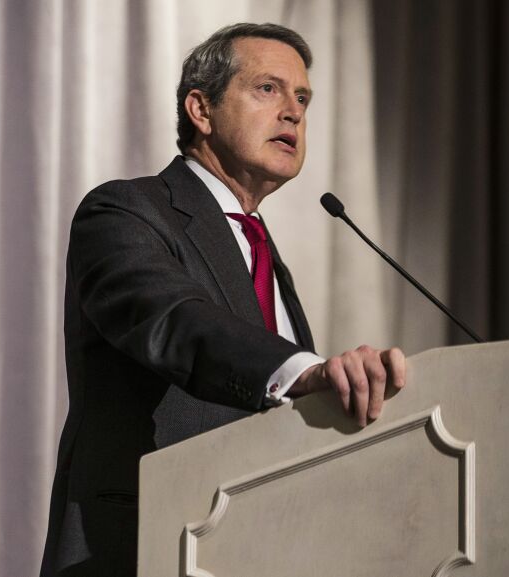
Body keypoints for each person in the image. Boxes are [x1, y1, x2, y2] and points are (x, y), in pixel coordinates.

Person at [40, 22, 405, 577]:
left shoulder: (265, 254)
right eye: (268, 89)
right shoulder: (123, 211)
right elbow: (174, 321)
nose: (293, 112)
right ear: (201, 110)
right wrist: (303, 372)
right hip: (140, 546)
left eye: (302, 98)